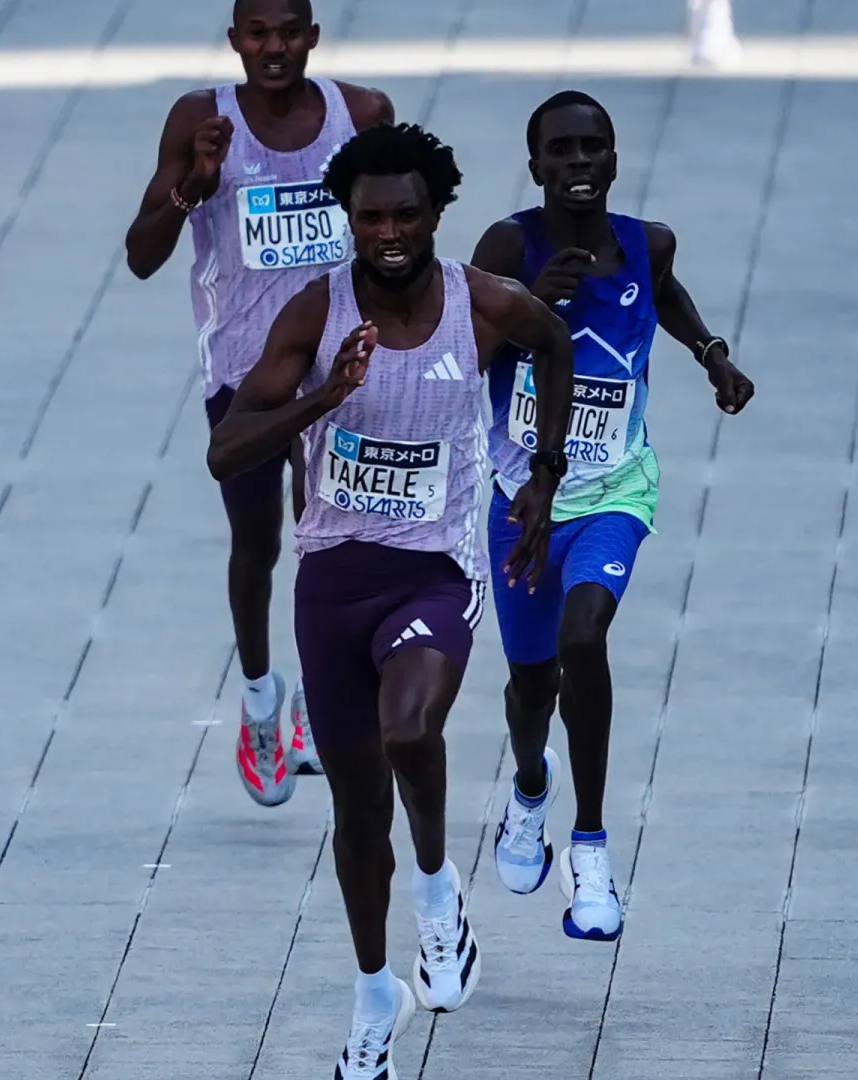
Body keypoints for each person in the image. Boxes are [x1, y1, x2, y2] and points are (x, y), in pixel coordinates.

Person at [208, 122, 575, 1080]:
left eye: (407, 212)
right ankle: (375, 992)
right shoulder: (313, 315)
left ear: (436, 212)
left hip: (432, 573)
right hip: (332, 580)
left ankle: (438, 890)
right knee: (358, 810)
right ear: (349, 220)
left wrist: (543, 471)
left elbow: (555, 339)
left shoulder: (482, 306)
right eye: (370, 215)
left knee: (411, 728)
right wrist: (323, 400)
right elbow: (227, 448)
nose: (389, 231)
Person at [471, 90, 755, 942]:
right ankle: (529, 790)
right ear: (537, 167)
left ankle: (590, 848)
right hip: (521, 499)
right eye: (561, 151)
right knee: (530, 684)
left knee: (583, 638)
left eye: (594, 148)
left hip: (615, 490)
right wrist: (530, 299)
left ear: (616, 157)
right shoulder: (506, 245)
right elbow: (461, 348)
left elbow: (662, 293)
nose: (579, 163)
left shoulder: (646, 242)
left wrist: (713, 355)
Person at [124, 0, 395, 807]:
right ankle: (258, 698)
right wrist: (193, 189)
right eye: (258, 33)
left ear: (313, 36)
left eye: (289, 32)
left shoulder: (364, 114)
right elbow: (140, 257)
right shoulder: (201, 119)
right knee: (257, 542)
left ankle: (317, 696)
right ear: (235, 40)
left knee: (330, 539)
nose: (273, 48)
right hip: (243, 373)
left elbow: (398, 232)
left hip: (336, 367)